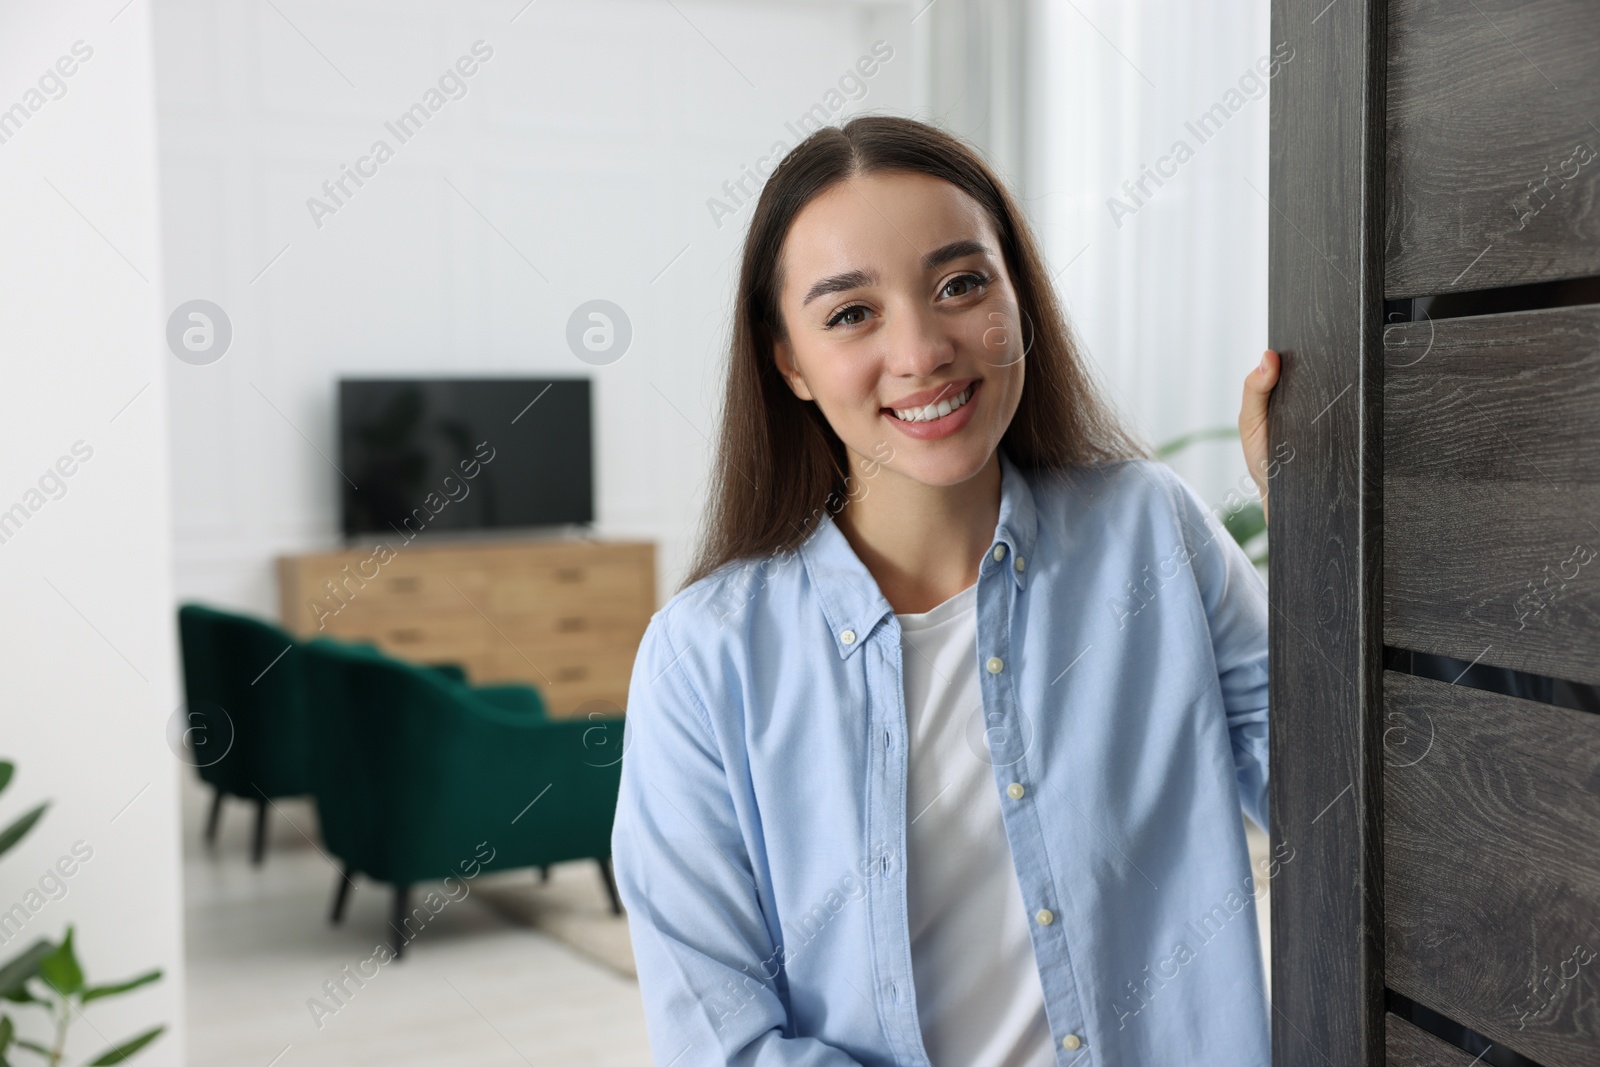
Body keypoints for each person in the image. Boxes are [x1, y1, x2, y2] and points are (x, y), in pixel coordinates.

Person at [610, 115, 1283, 1066]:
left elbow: (1344, 794)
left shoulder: (1153, 532)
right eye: (851, 313)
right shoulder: (703, 657)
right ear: (789, 361)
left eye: (960, 284)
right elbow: (722, 1038)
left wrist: (1321, 520)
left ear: (1020, 292)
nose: (922, 350)